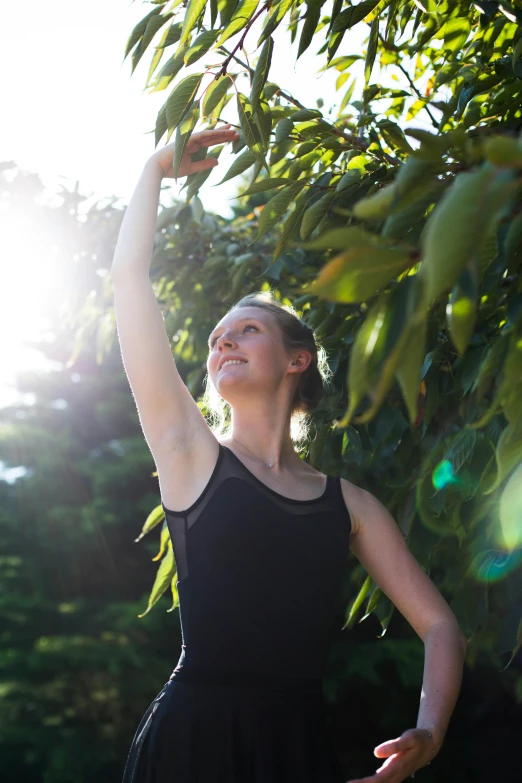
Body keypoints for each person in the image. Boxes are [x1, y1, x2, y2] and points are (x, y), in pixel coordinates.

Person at [110, 125, 467, 783]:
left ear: (297, 358)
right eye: (217, 338)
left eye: (247, 328)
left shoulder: (351, 506)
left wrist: (431, 730)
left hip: (296, 750)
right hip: (192, 746)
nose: (223, 343)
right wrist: (153, 172)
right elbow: (130, 282)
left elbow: (442, 626)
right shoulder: (191, 455)